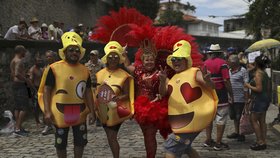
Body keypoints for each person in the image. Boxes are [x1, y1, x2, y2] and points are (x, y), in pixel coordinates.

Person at [38, 32, 96, 158]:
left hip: (79, 112)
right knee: (60, 142)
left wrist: (92, 111)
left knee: (80, 141)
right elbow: (46, 90)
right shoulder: (54, 68)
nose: (74, 53)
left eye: (76, 50)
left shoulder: (85, 70)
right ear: (65, 52)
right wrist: (47, 111)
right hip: (60, 112)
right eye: (71, 50)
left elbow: (87, 91)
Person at [159, 40, 217, 158]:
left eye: (179, 59)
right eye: (174, 59)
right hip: (178, 121)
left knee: (171, 149)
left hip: (191, 120)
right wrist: (162, 81)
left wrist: (207, 80)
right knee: (186, 147)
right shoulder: (173, 78)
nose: (176, 62)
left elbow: (211, 86)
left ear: (186, 60)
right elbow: (163, 92)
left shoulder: (195, 72)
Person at [123, 39, 171, 158]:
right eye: (147, 59)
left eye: (151, 59)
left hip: (153, 108)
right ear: (143, 61)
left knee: (150, 135)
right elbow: (128, 65)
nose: (149, 62)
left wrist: (163, 80)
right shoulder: (138, 71)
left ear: (154, 60)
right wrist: (124, 54)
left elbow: (163, 92)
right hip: (139, 109)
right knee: (146, 134)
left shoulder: (159, 73)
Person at [95, 41, 134, 158]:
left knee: (112, 137)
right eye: (110, 57)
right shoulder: (99, 74)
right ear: (106, 58)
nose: (112, 59)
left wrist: (117, 98)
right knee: (110, 137)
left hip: (115, 111)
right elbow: (96, 91)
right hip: (101, 110)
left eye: (115, 57)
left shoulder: (124, 75)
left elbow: (127, 94)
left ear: (119, 59)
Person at [204, 44, 233, 151]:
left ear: (210, 53)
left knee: (209, 119)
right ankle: (218, 143)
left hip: (208, 95)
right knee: (221, 118)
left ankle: (208, 140)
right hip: (221, 94)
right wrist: (231, 93)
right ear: (220, 53)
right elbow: (226, 80)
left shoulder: (204, 64)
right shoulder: (223, 63)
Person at [244, 55, 271, 151]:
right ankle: (263, 140)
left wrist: (248, 85)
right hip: (265, 99)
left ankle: (260, 141)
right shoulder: (264, 73)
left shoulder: (258, 74)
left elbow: (259, 89)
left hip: (259, 99)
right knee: (262, 121)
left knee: (253, 120)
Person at [10, 45, 31, 136]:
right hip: (20, 85)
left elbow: (13, 74)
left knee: (18, 107)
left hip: (15, 85)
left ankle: (18, 127)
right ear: (20, 51)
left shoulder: (13, 60)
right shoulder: (18, 61)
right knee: (24, 107)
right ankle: (18, 129)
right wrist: (26, 80)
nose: (25, 53)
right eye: (24, 51)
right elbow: (17, 73)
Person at [227, 54, 249, 142]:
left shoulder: (243, 71)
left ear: (234, 63)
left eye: (229, 61)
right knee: (233, 116)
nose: (228, 63)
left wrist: (247, 98)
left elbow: (246, 85)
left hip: (240, 97)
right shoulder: (228, 70)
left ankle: (241, 133)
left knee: (239, 116)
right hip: (230, 98)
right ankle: (236, 131)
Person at [85, 50, 104, 126]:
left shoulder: (102, 64)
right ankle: (93, 117)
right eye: (91, 55)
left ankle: (99, 118)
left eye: (94, 55)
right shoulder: (87, 65)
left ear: (97, 56)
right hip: (91, 86)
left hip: (99, 85)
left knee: (99, 102)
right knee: (92, 102)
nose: (93, 57)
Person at [41, 50, 58, 135]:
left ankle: (54, 124)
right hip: (46, 90)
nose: (48, 58)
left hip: (55, 90)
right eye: (47, 56)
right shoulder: (45, 67)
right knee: (45, 107)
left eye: (50, 56)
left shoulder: (57, 67)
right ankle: (48, 125)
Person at [28, 56, 44, 128]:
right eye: (38, 61)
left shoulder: (40, 69)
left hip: (41, 88)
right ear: (35, 62)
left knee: (42, 104)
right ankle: (37, 121)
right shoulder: (32, 70)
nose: (40, 62)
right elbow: (30, 81)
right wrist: (34, 90)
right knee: (36, 106)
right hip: (35, 88)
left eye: (40, 61)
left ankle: (44, 120)